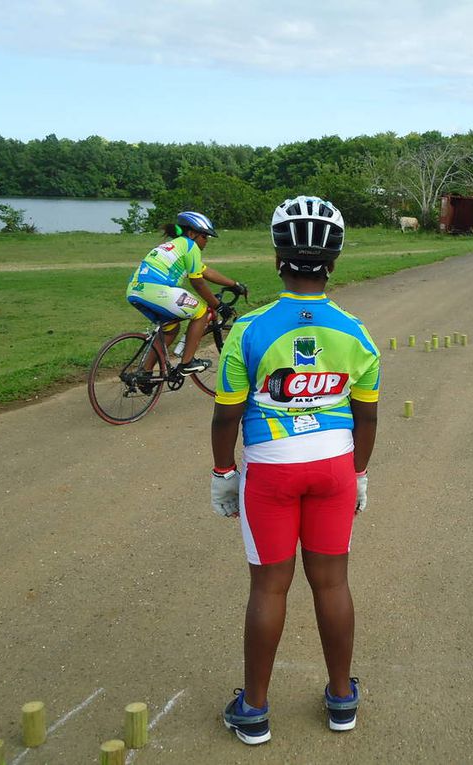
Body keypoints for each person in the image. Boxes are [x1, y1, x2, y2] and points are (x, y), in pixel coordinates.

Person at [211, 196, 380, 745]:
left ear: (277, 257)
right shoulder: (356, 332)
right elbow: (368, 415)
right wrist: (358, 473)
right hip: (333, 466)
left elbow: (226, 414)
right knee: (332, 582)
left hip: (272, 469)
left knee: (270, 587)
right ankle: (340, 700)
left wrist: (222, 473)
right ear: (334, 262)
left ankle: (254, 711)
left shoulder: (249, 328)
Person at [126, 211, 247, 376]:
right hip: (157, 290)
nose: (206, 241)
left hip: (135, 291)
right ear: (192, 233)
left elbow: (205, 271)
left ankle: (144, 373)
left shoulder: (178, 245)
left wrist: (234, 284)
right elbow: (197, 283)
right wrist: (217, 306)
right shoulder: (191, 246)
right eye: (205, 237)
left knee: (170, 329)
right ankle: (187, 362)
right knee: (202, 311)